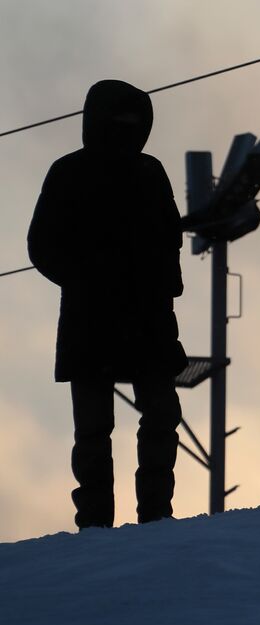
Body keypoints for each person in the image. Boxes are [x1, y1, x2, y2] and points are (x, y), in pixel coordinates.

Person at [27, 80, 187, 528]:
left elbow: (168, 236)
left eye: (135, 122)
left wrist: (160, 286)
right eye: (119, 121)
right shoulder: (69, 173)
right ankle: (95, 522)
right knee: (95, 429)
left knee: (160, 415)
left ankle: (155, 515)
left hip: (147, 321)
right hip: (92, 322)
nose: (127, 130)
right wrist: (90, 279)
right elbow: (42, 246)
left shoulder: (150, 172)